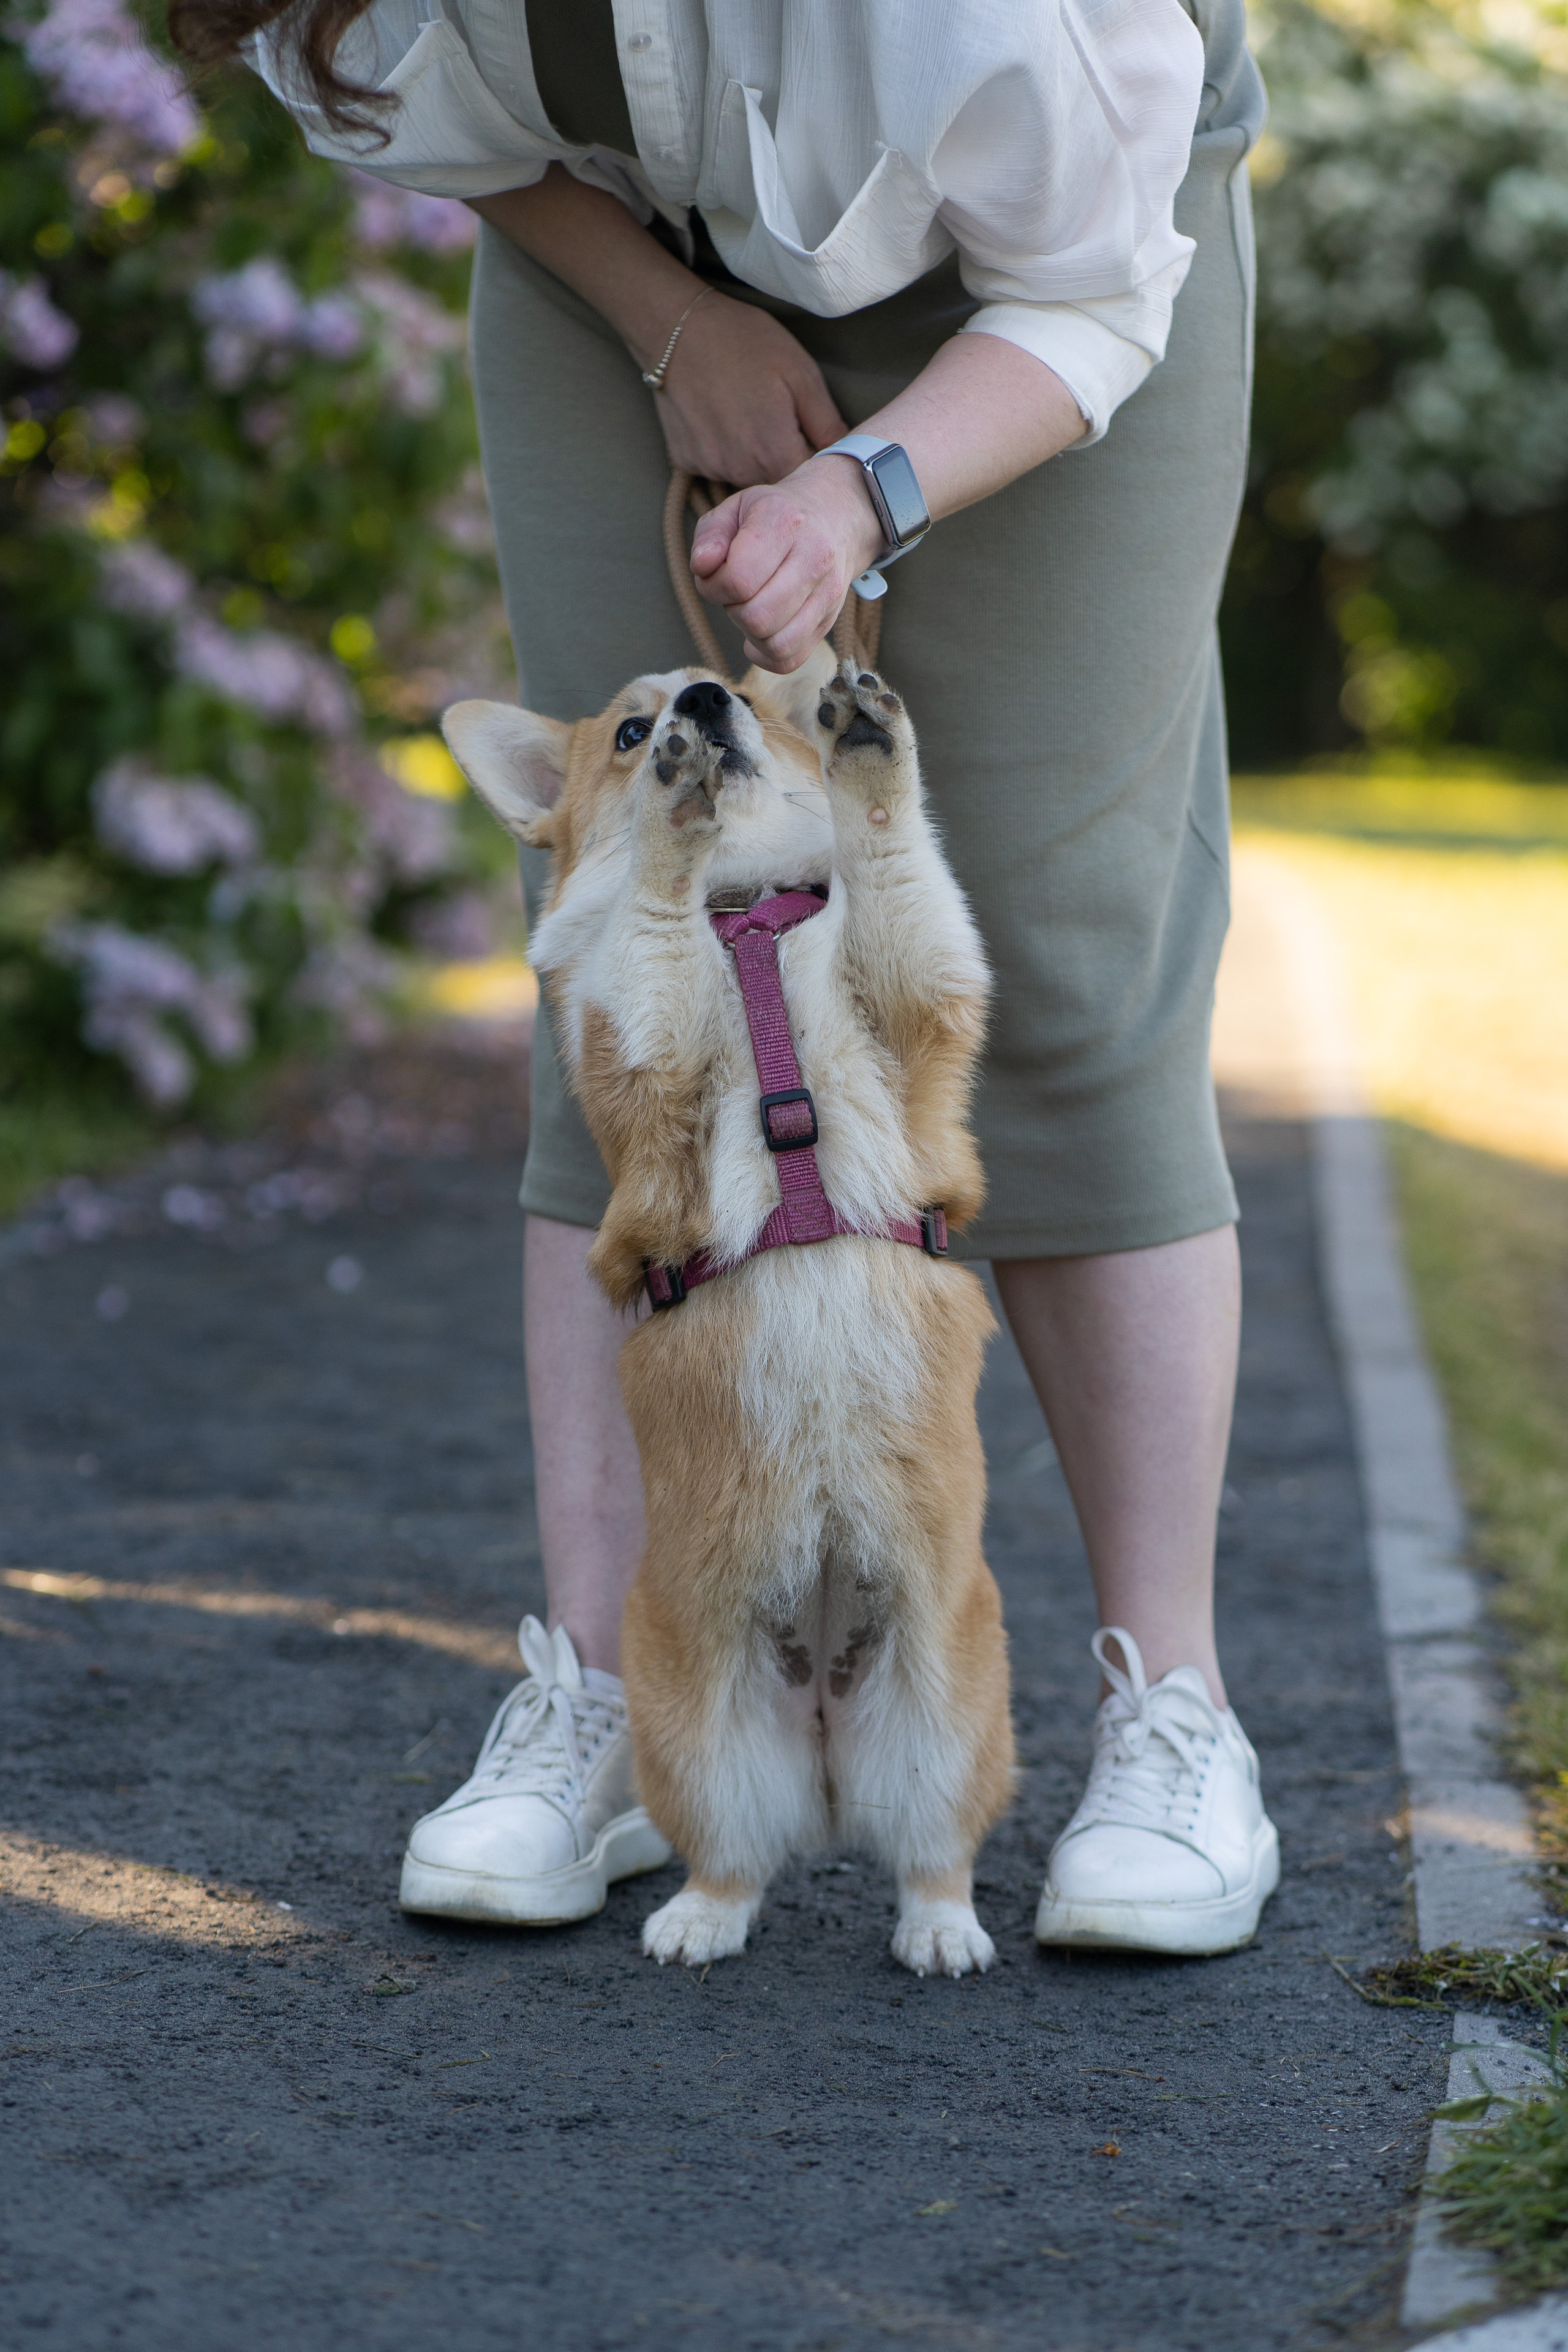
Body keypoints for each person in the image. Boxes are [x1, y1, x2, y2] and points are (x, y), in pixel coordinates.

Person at [179, 0, 1276, 1956]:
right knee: (629, 947)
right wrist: (671, 324)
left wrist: (861, 491)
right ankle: (624, 1691)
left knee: (1060, 950)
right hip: (623, 245)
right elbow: (365, 83)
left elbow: (1096, 292)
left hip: (1047, 283)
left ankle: (1169, 1713)